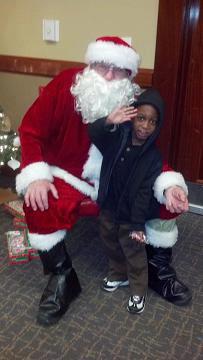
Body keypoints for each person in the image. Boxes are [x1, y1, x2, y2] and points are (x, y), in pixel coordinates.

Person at [16, 36, 191, 326]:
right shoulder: (65, 86)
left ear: (129, 76)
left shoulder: (134, 103)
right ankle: (63, 276)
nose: (109, 76)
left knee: (168, 197)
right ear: (90, 64)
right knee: (40, 199)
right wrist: (35, 174)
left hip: (120, 178)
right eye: (101, 66)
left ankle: (158, 268)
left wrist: (170, 184)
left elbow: (150, 153)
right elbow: (31, 130)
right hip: (70, 175)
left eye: (118, 69)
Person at [88, 88, 179, 314]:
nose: (145, 126)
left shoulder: (153, 157)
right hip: (109, 206)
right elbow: (94, 134)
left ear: (157, 126)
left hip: (131, 215)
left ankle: (139, 290)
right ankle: (119, 274)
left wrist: (138, 225)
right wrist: (109, 120)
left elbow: (143, 194)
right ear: (133, 116)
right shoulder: (118, 137)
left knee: (134, 252)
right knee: (110, 242)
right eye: (141, 118)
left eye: (152, 122)